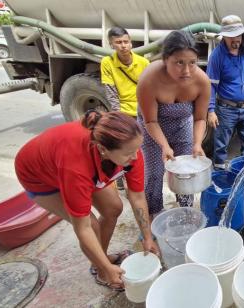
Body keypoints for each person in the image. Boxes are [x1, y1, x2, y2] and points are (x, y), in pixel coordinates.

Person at [15, 110, 159, 291]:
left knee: (113, 208)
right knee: (90, 225)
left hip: (71, 163)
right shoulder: (76, 167)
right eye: (130, 153)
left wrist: (147, 237)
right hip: (40, 177)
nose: (136, 157)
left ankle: (102, 258)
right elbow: (82, 228)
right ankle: (101, 270)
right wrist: (107, 269)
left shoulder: (128, 149)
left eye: (138, 149)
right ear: (103, 149)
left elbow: (137, 197)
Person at [137, 30, 211, 215]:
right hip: (153, 129)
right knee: (154, 173)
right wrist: (164, 146)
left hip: (182, 126)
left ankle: (186, 210)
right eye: (179, 63)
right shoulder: (149, 80)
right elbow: (151, 121)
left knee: (185, 172)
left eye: (192, 63)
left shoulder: (202, 81)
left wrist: (197, 143)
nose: (186, 71)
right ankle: (154, 213)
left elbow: (201, 118)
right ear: (165, 59)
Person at [206, 15, 244, 170]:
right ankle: (219, 175)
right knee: (220, 146)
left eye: (237, 35)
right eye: (230, 37)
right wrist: (211, 111)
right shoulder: (217, 56)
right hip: (226, 109)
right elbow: (210, 85)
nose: (234, 40)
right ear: (223, 36)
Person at [101, 27, 149, 190]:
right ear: (111, 44)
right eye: (118, 42)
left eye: (126, 42)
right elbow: (110, 91)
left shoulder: (143, 62)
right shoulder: (107, 63)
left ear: (131, 42)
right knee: (121, 149)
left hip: (141, 112)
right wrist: (119, 118)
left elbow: (148, 89)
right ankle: (120, 179)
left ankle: (138, 180)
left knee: (140, 150)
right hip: (122, 113)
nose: (123, 46)